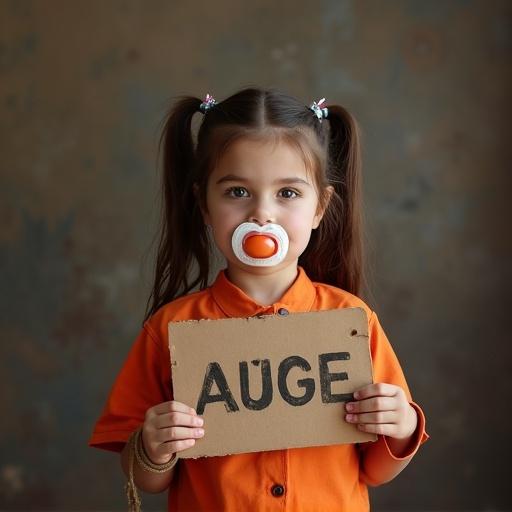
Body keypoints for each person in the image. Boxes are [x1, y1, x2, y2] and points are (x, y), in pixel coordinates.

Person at [89, 87, 429, 511]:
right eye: (236, 192)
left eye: (287, 193)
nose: (261, 214)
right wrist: (154, 448)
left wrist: (401, 427)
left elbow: (375, 470)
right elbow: (147, 479)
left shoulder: (351, 320)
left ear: (320, 207)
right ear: (204, 204)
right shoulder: (170, 330)